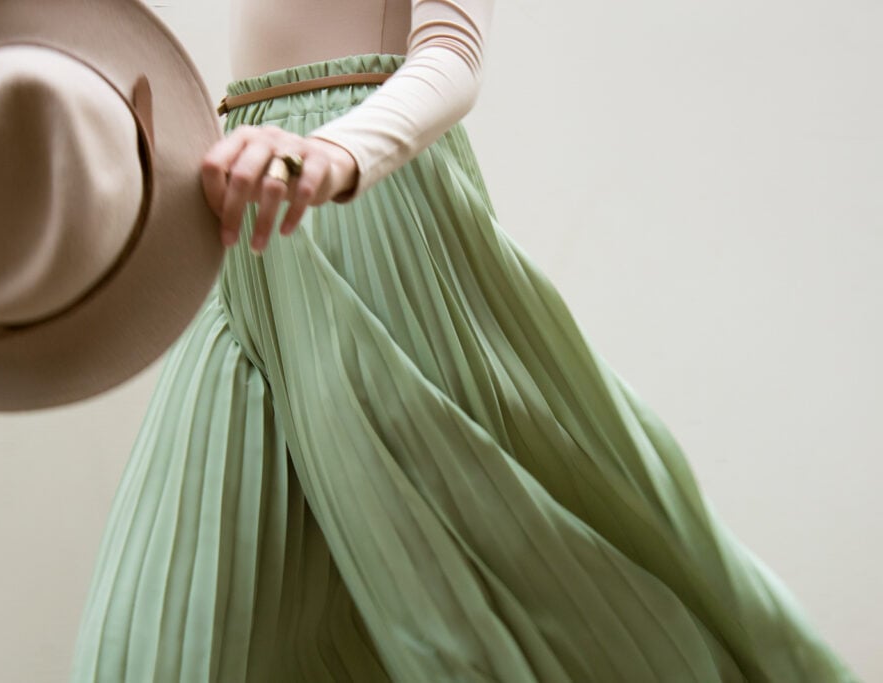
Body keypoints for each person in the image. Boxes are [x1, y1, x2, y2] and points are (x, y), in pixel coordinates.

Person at [70, 1, 860, 681]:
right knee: (152, 641)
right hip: (245, 223)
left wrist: (335, 153)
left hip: (366, 218)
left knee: (466, 611)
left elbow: (453, 53)